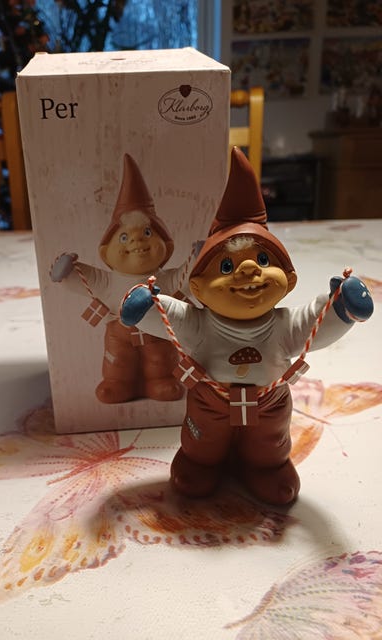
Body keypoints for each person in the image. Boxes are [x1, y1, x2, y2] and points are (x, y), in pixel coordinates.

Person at [120, 147, 373, 505]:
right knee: (202, 438)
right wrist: (146, 306)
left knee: (269, 442)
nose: (249, 270)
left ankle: (267, 468)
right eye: (226, 267)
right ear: (198, 288)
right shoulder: (200, 325)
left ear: (289, 279)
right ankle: (198, 462)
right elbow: (173, 316)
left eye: (264, 260)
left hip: (268, 400)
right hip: (212, 401)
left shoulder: (284, 325)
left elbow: (313, 323)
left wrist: (341, 308)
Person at [50, 153, 191, 404]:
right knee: (117, 359)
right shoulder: (106, 281)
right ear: (106, 252)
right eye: (124, 237)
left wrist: (199, 258)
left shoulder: (166, 279)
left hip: (158, 333)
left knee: (160, 358)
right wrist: (66, 270)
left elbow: (186, 278)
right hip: (119, 334)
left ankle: (161, 380)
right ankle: (117, 383)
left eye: (147, 232)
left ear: (166, 246)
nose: (136, 241)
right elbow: (83, 278)